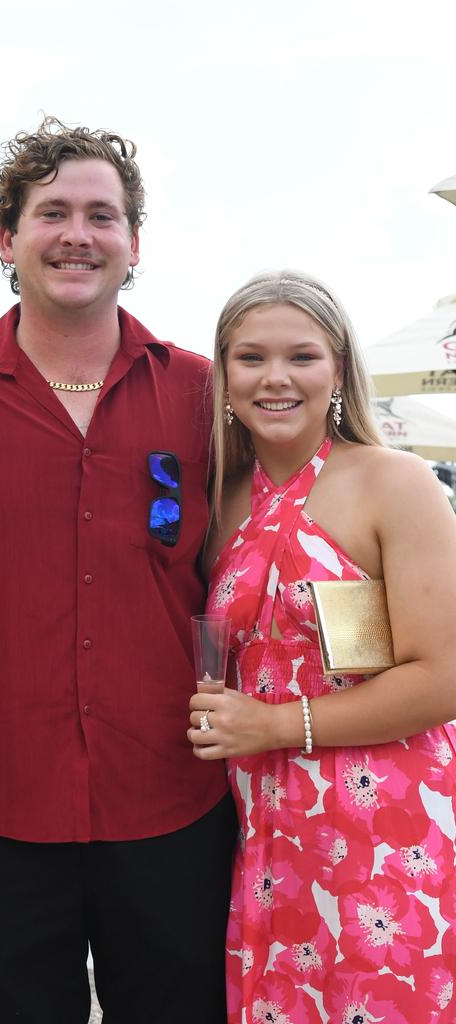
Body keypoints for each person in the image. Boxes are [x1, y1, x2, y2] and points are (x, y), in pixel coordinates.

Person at [0, 116, 237, 1023]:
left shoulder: (204, 394)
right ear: (7, 238)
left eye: (102, 215)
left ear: (134, 242)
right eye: (52, 213)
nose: (79, 233)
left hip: (173, 799)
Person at [189, 269, 456, 1023]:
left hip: (389, 825)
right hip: (266, 828)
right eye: (250, 358)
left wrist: (276, 725)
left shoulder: (394, 482)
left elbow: (445, 678)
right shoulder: (220, 499)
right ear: (224, 374)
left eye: (302, 357)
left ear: (338, 368)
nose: (276, 378)